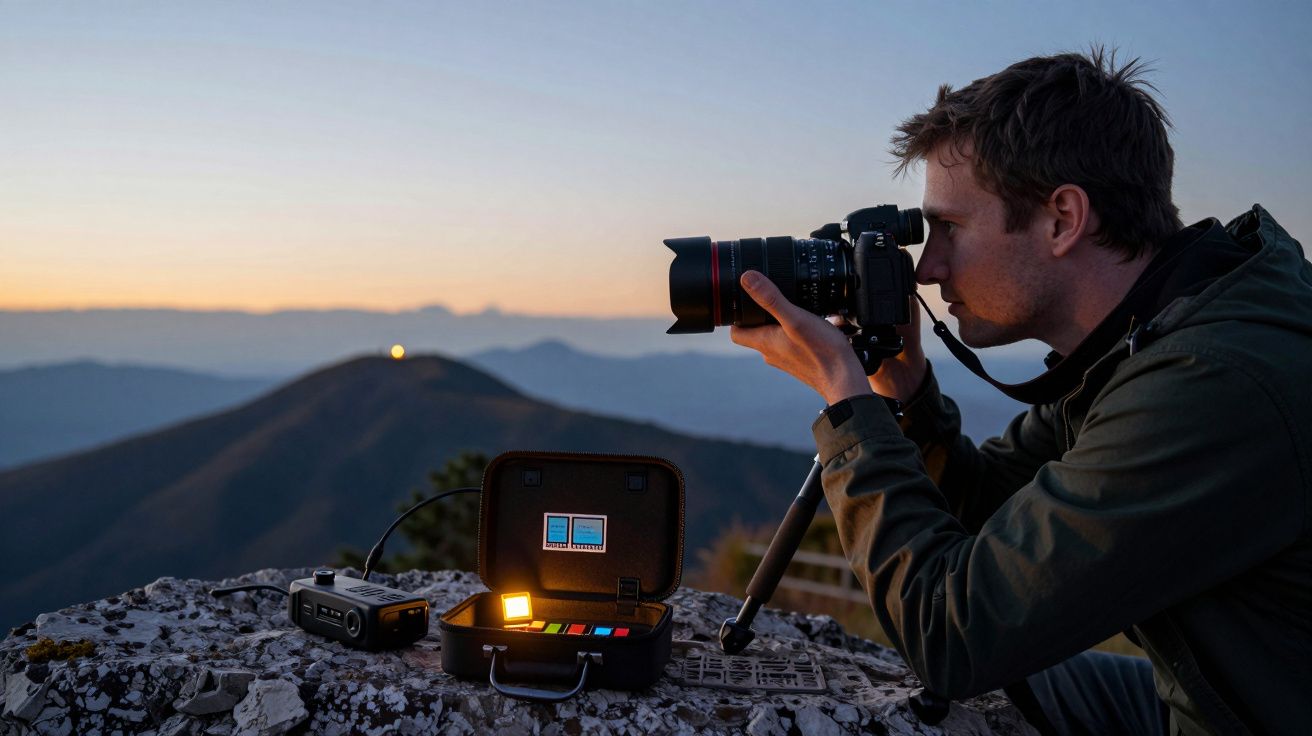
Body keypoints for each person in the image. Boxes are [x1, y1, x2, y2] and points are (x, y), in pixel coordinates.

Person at [730, 49, 1311, 736]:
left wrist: (846, 405)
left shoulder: (1208, 383)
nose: (928, 265)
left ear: (1063, 218)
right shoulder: (1144, 337)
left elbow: (955, 636)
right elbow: (990, 510)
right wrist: (904, 391)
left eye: (949, 228)